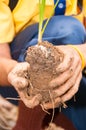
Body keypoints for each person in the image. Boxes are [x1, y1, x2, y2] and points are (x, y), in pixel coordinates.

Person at [0, 0, 86, 130]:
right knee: (68, 29)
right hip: (16, 79)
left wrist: (79, 53)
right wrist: (13, 70)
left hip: (72, 77)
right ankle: (26, 125)